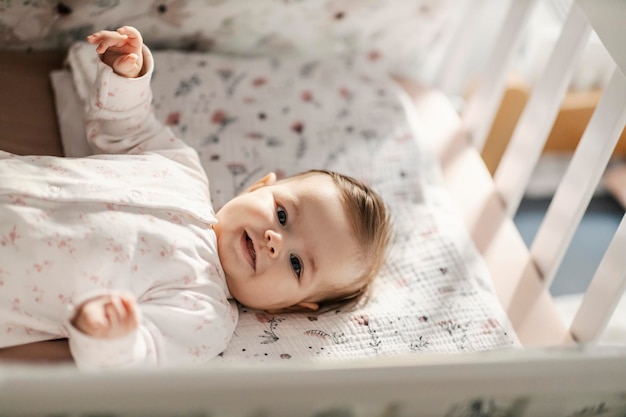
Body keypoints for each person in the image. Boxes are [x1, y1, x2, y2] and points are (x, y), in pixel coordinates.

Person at [0, 26, 391, 370]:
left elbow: (144, 356)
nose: (275, 241)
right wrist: (129, 76)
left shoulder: (205, 314)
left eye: (296, 264)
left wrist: (111, 337)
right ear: (259, 186)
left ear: (286, 307)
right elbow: (126, 130)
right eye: (283, 216)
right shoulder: (183, 169)